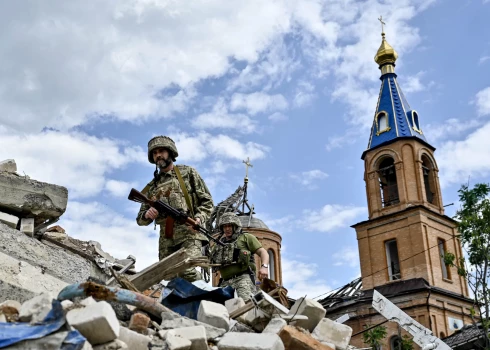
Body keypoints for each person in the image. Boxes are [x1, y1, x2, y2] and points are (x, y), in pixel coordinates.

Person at [136, 135, 213, 282]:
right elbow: (140, 219)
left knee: (186, 269)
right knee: (168, 276)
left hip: (190, 232)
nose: (158, 155)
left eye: (162, 151)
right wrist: (147, 215)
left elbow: (207, 202)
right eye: (154, 152)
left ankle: (204, 296)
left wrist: (199, 218)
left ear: (170, 152)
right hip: (167, 238)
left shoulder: (188, 173)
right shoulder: (152, 186)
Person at [210, 212, 269, 301]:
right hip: (225, 281)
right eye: (225, 226)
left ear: (235, 226)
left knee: (245, 304)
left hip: (243, 278)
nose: (227, 229)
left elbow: (263, 252)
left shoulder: (246, 237)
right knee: (219, 307)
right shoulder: (218, 244)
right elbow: (210, 260)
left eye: (230, 226)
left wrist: (264, 267)